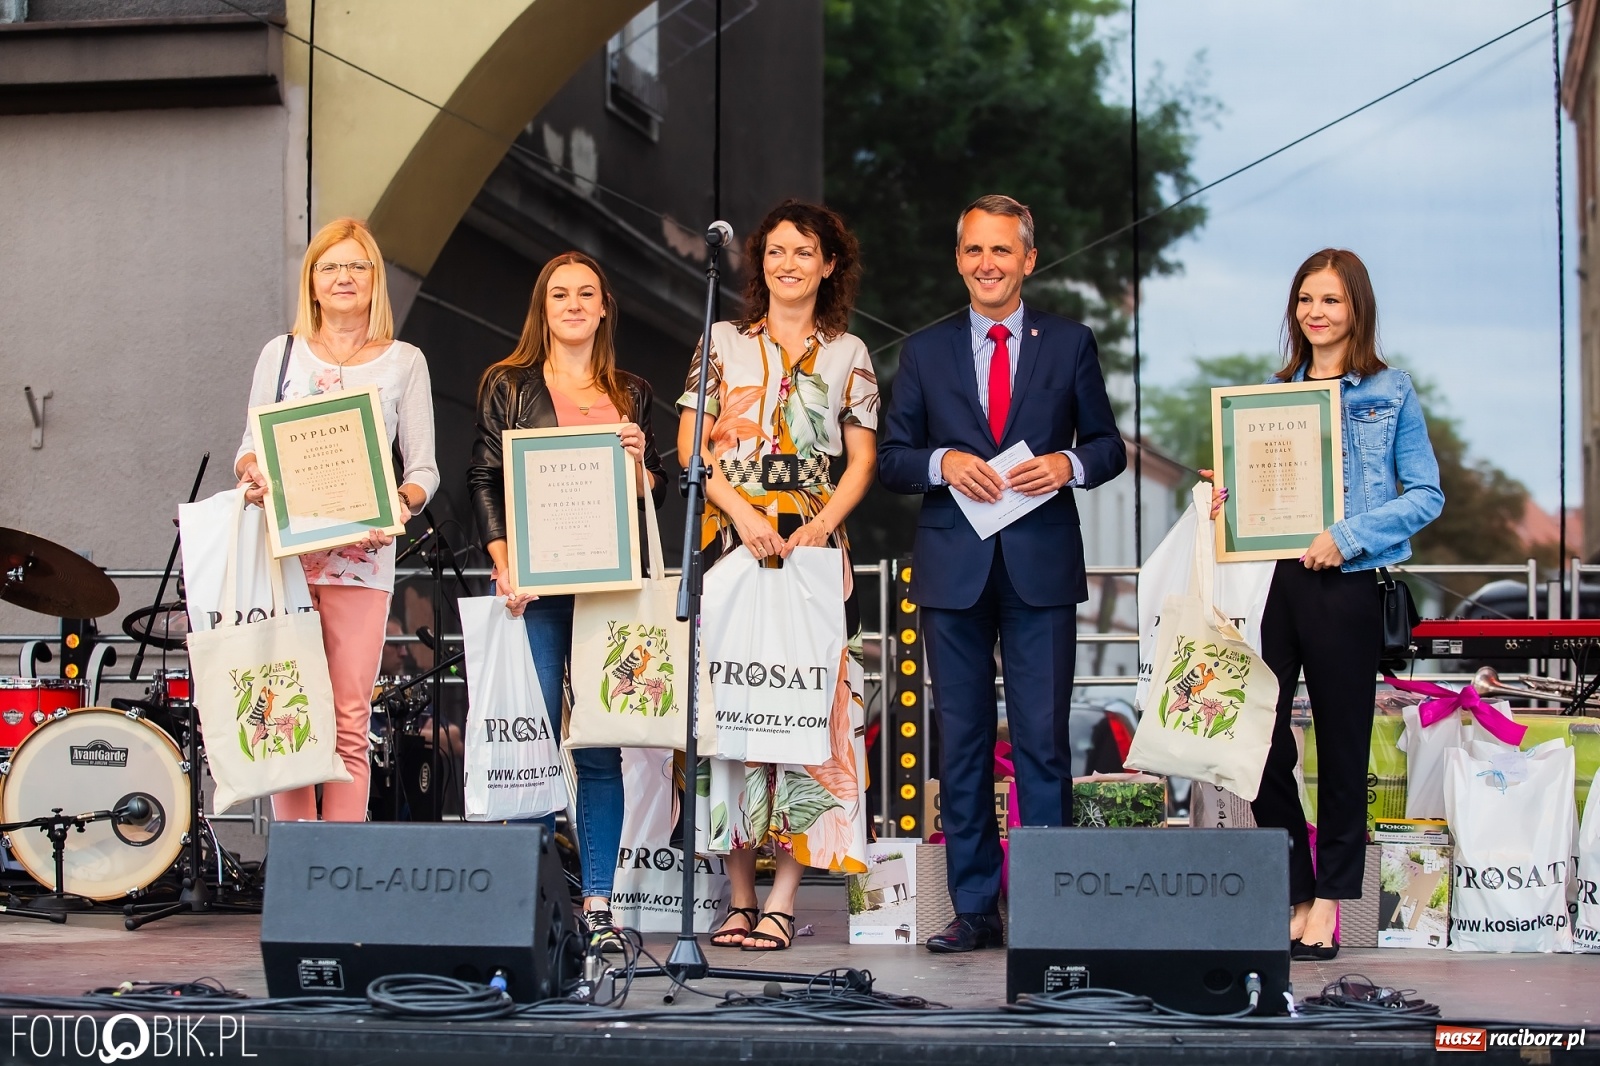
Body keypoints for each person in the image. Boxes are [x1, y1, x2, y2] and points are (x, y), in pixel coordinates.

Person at [878, 194, 1126, 953]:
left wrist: (1070, 463)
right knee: (960, 744)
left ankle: (1050, 906)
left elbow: (1109, 445)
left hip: (1040, 568)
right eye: (974, 251)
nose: (988, 264)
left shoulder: (1071, 343)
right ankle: (976, 908)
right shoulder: (924, 351)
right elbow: (890, 457)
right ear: (960, 260)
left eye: (1002, 251)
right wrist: (942, 463)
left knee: (1045, 741)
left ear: (1028, 259)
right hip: (954, 567)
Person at [1206, 248, 1442, 961]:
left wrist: (1347, 536)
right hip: (1272, 586)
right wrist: (1230, 498)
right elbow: (1255, 501)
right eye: (1306, 299)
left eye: (1331, 300)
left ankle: (1331, 899)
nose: (1316, 312)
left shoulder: (1391, 391)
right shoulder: (1270, 399)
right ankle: (1295, 887)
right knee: (1259, 741)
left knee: (1341, 747)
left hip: (1347, 586)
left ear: (1356, 309)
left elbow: (1425, 494)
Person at [677, 199, 878, 952]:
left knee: (806, 716)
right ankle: (737, 894)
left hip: (815, 553)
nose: (787, 264)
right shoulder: (721, 341)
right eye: (774, 252)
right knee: (731, 713)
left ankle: (785, 896)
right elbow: (690, 443)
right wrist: (741, 512)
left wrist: (821, 525)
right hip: (730, 542)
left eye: (804, 252)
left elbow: (861, 461)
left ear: (830, 265)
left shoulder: (849, 352)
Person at [468, 251, 667, 951]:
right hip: (537, 591)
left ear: (606, 306)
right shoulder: (508, 384)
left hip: (609, 594)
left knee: (598, 750)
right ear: (543, 307)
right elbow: (485, 480)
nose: (575, 304)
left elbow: (659, 493)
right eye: (560, 294)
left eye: (587, 293)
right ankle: (528, 897)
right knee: (531, 738)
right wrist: (504, 567)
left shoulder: (633, 392)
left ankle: (600, 904)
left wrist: (645, 463)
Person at [235, 217, 439, 823]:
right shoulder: (281, 354)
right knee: (288, 720)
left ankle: (338, 881)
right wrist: (253, 478)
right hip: (288, 562)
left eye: (357, 266)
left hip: (362, 562)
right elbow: (248, 445)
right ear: (312, 282)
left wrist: (399, 506)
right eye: (331, 267)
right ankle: (299, 875)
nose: (344, 277)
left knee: (350, 718)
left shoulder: (404, 362)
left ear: (375, 280)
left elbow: (424, 469)